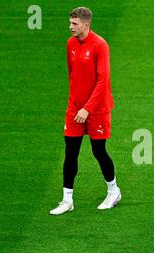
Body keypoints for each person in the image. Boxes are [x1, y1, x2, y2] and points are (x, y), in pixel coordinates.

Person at [50, 7, 121, 215]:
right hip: (74, 110)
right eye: (70, 22)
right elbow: (72, 75)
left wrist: (87, 108)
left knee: (99, 151)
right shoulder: (70, 43)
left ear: (86, 24)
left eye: (74, 23)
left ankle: (113, 191)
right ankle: (67, 200)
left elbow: (102, 80)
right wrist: (76, 106)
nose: (70, 27)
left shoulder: (100, 45)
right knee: (70, 152)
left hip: (97, 109)